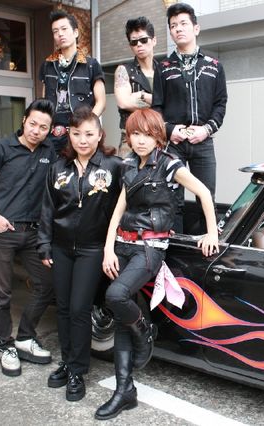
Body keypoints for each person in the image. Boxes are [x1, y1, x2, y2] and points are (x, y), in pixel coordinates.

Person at [94, 109, 218, 420]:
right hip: (123, 244)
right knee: (121, 314)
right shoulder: (128, 165)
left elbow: (203, 192)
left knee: (115, 296)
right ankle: (124, 390)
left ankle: (145, 331)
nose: (140, 140)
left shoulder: (169, 164)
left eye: (147, 134)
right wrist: (108, 248)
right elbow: (119, 210)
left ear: (158, 137)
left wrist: (212, 232)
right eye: (135, 134)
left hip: (150, 248)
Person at [38, 106, 123, 401]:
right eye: (76, 134)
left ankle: (77, 370)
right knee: (62, 308)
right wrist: (44, 244)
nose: (82, 140)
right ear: (69, 136)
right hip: (61, 248)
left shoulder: (114, 166)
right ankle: (67, 361)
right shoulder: (58, 168)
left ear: (100, 135)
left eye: (89, 134)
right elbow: (47, 209)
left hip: (92, 249)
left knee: (79, 309)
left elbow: (124, 206)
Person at [0, 99, 57, 377]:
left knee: (46, 285)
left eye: (43, 127)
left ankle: (25, 337)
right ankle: (5, 346)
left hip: (34, 232)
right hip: (3, 231)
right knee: (2, 294)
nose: (37, 130)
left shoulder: (49, 151)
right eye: (33, 124)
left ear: (49, 130)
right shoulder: (2, 147)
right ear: (24, 120)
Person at [152, 2, 228, 233]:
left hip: (203, 141)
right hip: (174, 143)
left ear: (196, 28)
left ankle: (208, 242)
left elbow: (220, 104)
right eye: (173, 25)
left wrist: (206, 129)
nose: (178, 28)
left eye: (183, 23)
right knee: (172, 199)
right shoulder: (163, 67)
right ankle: (175, 247)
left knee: (206, 196)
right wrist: (169, 130)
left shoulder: (214, 66)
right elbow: (157, 107)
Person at [40, 9, 106, 154]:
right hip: (54, 134)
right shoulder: (47, 65)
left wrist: (86, 127)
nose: (60, 34)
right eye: (55, 31)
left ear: (75, 32)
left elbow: (101, 102)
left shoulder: (91, 64)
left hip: (80, 133)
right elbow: (44, 101)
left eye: (64, 29)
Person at [114, 16, 160, 159]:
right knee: (127, 172)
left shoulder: (163, 71)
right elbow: (123, 103)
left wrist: (142, 96)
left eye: (143, 40)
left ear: (154, 40)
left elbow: (171, 104)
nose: (139, 45)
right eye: (134, 42)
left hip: (158, 136)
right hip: (130, 137)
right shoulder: (124, 70)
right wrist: (158, 104)